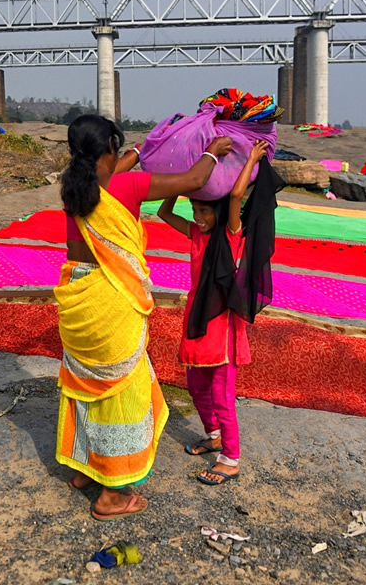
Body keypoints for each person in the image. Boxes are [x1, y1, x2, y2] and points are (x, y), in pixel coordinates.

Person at [55, 114, 233, 520]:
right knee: (124, 393)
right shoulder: (127, 186)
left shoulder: (73, 188)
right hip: (112, 303)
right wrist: (213, 151)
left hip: (79, 300)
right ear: (107, 150)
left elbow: (114, 169)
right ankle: (113, 494)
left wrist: (142, 148)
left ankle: (86, 468)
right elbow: (191, 181)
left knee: (87, 383)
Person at [156, 140, 274, 486]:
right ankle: (214, 434)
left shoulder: (231, 234)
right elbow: (163, 214)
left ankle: (231, 458)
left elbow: (235, 198)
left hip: (220, 321)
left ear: (218, 212)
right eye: (195, 210)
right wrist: (180, 183)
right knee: (195, 382)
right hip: (197, 314)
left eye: (204, 211)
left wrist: (251, 158)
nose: (198, 217)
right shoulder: (195, 232)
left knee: (222, 391)